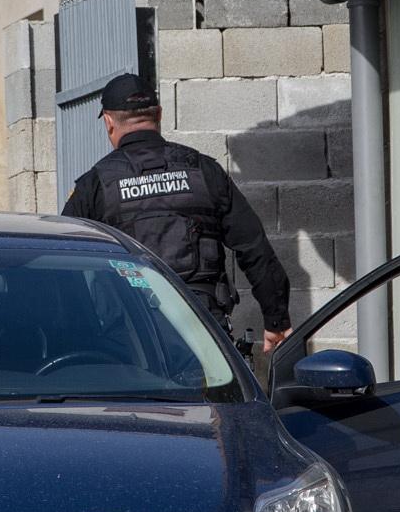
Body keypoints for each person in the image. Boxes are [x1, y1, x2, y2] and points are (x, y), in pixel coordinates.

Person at [62, 74, 291, 355]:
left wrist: (83, 335)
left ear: (109, 122)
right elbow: (253, 246)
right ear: (158, 114)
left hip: (128, 343)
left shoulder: (94, 185)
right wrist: (276, 320)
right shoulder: (204, 171)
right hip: (203, 336)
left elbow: (64, 264)